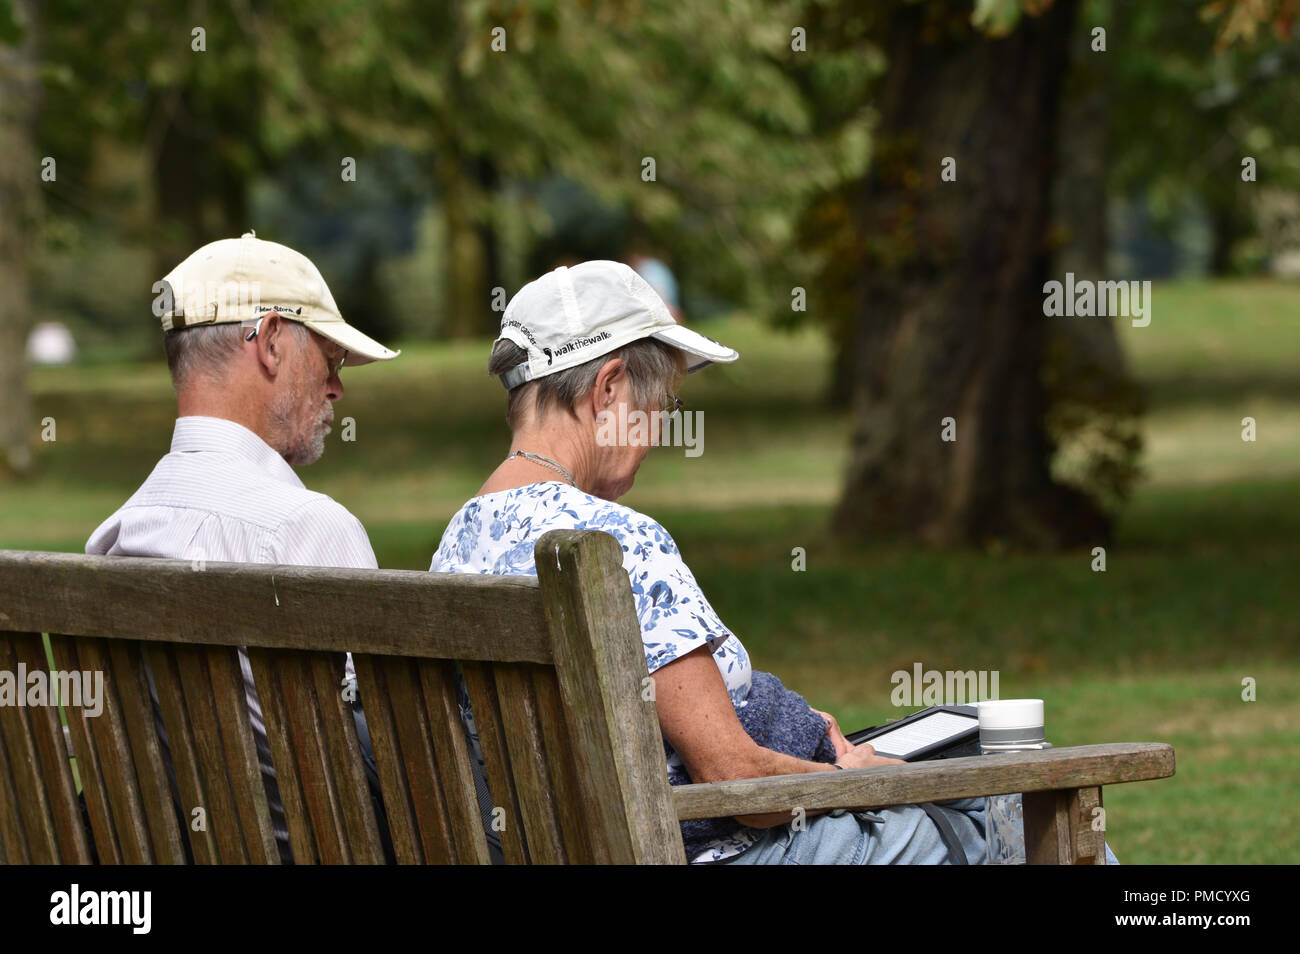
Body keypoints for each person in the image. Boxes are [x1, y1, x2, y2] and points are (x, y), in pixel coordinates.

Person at [431, 260, 1118, 865]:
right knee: (1024, 815)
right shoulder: (613, 545)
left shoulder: (456, 548)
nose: (662, 431)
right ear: (608, 389)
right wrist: (857, 782)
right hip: (707, 849)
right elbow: (736, 781)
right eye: (661, 404)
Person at [86, 231, 399, 863]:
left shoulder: (115, 538)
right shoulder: (308, 528)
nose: (337, 388)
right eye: (331, 358)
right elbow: (397, 757)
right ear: (273, 341)